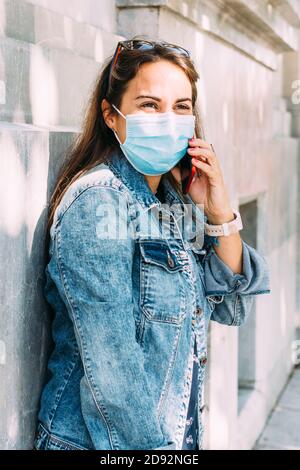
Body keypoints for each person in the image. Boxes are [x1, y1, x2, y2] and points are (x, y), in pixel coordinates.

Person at [33, 36, 271, 451]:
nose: (168, 119)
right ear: (111, 114)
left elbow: (232, 308)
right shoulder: (99, 200)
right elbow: (113, 372)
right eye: (149, 105)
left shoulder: (170, 202)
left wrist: (218, 212)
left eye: (181, 107)